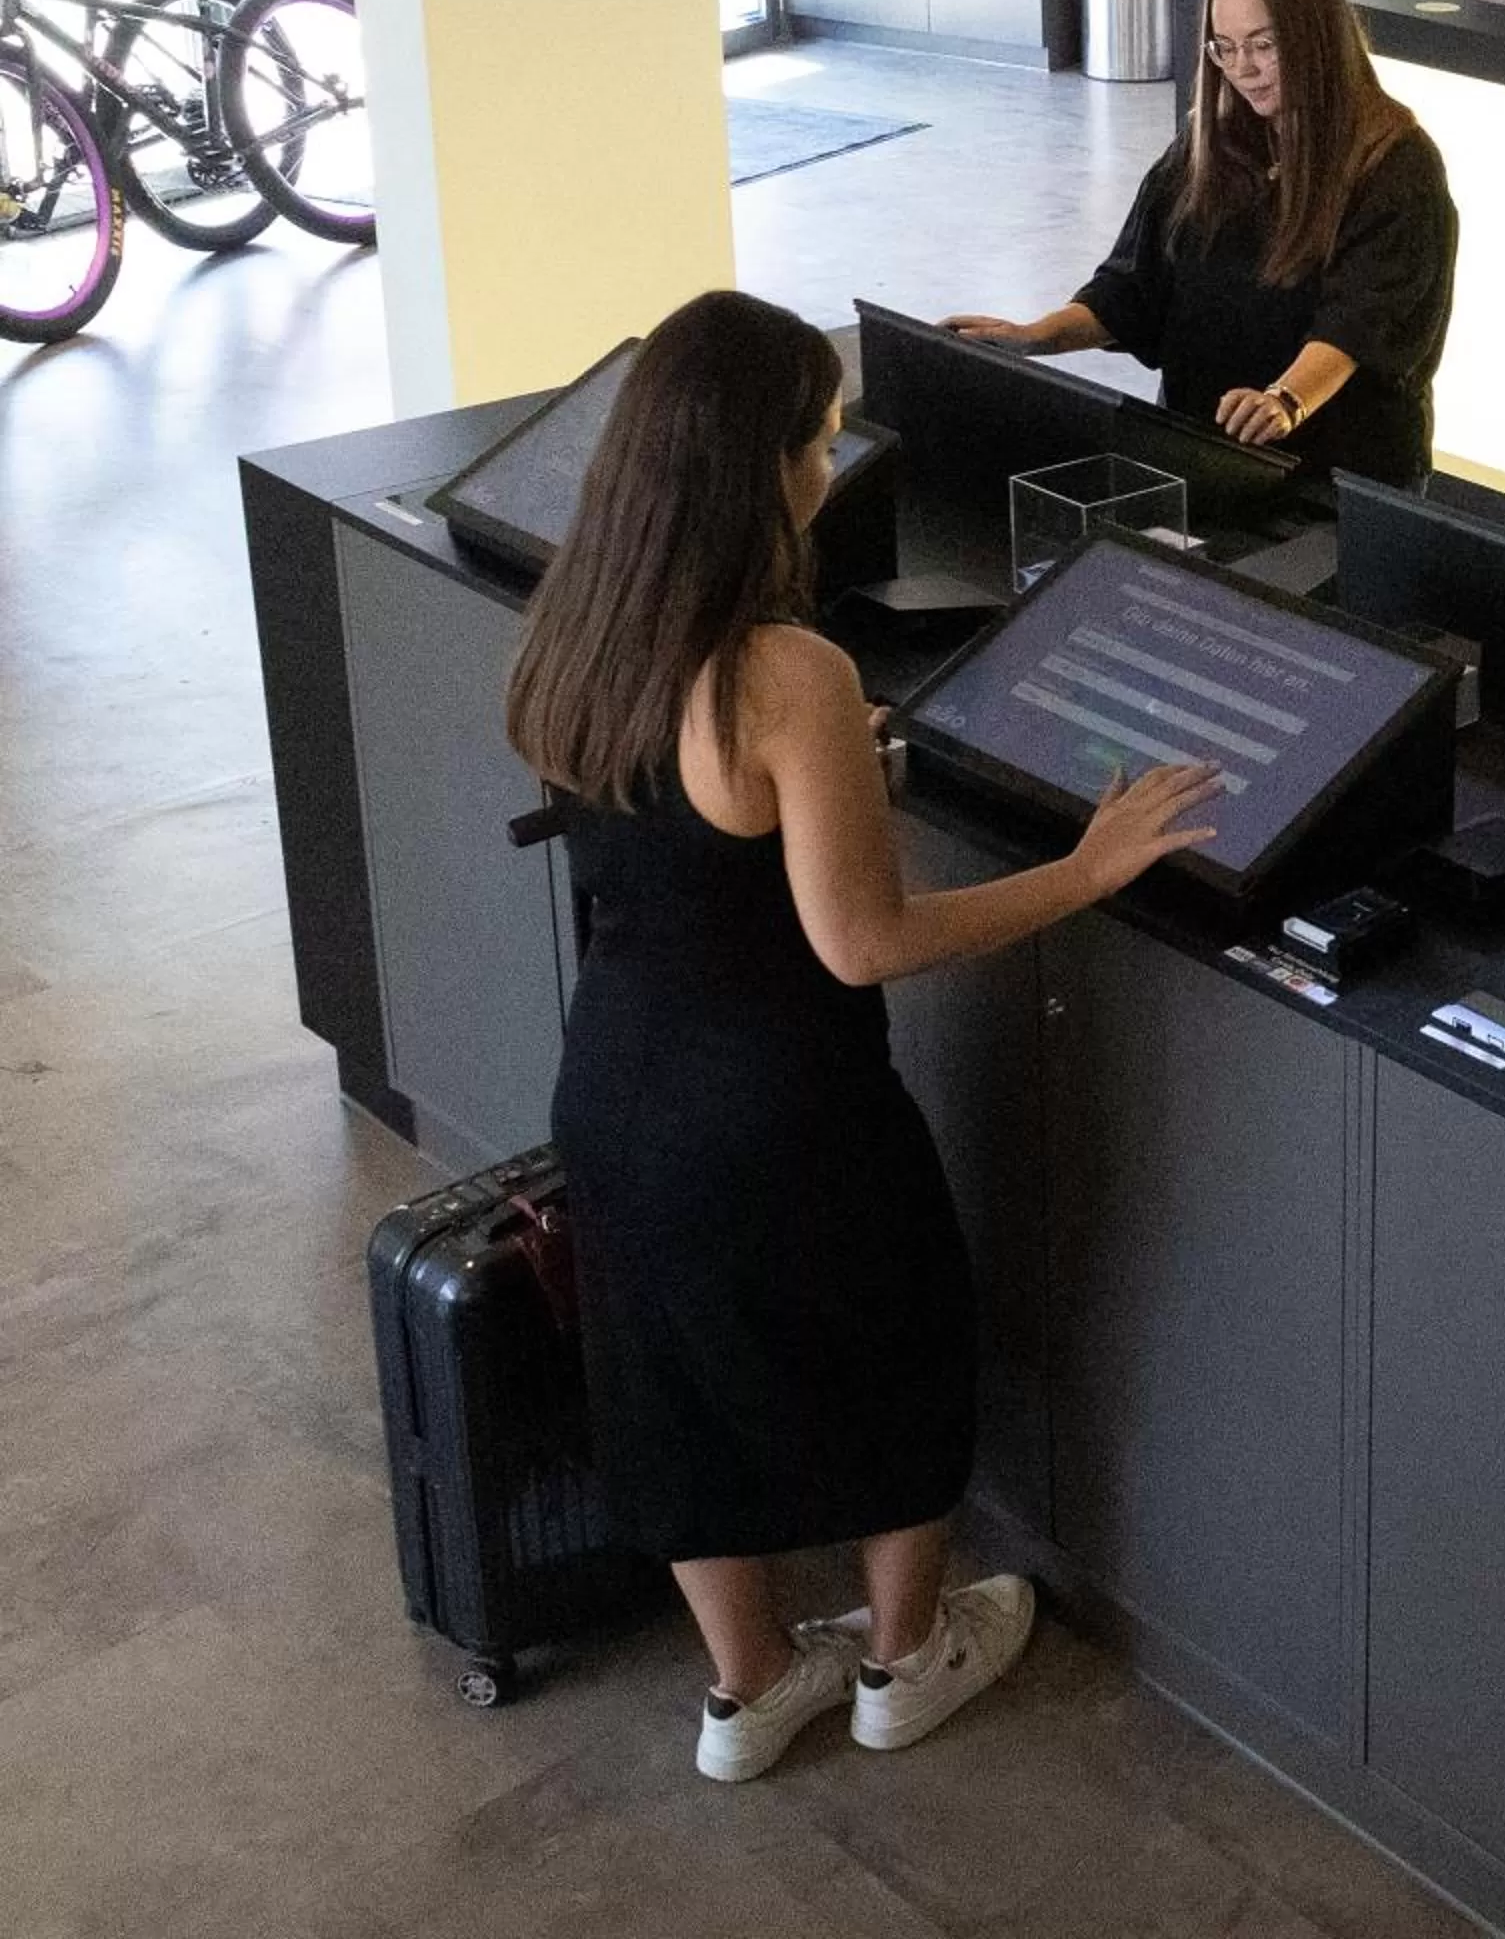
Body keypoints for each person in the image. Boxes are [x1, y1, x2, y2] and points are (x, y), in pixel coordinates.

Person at [502, 290, 1222, 1783]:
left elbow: (686, 823)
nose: (828, 472)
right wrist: (1082, 873)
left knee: (678, 1379)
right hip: (787, 1102)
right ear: (760, 470)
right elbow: (862, 941)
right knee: (897, 1353)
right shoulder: (788, 676)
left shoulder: (578, 628)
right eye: (818, 447)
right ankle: (904, 1659)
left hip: (616, 1083)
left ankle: (750, 1688)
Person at [944, 0, 1459, 488]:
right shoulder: (1208, 145)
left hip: (1337, 477)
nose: (1244, 69)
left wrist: (1285, 400)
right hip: (1203, 456)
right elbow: (1132, 288)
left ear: (1318, 38)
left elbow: (1358, 323)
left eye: (1264, 45)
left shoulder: (1396, 165)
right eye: (1225, 47)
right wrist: (1038, 337)